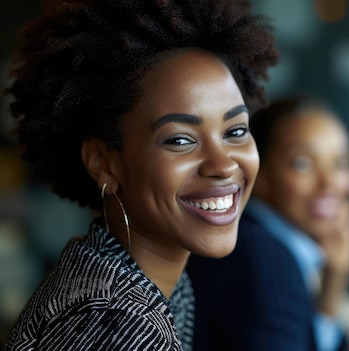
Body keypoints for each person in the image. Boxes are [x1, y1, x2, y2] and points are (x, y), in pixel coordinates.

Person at [3, 0, 278, 349]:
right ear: (104, 162)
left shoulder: (152, 285)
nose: (223, 164)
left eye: (236, 131)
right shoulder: (115, 322)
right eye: (181, 140)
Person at [186, 95, 349, 351]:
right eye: (302, 163)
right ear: (259, 173)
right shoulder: (263, 254)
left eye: (340, 164)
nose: (329, 183)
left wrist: (333, 286)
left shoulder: (270, 245)